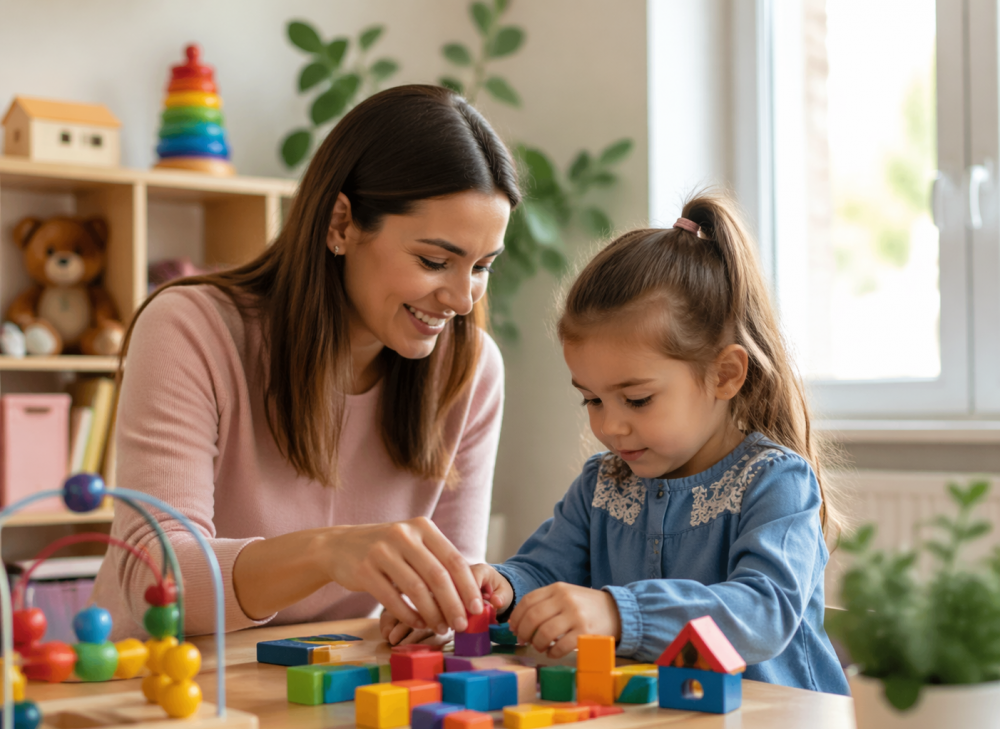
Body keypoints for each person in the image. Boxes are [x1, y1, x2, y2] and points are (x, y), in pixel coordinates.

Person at [92, 85, 520, 640]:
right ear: (341, 224)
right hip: (161, 690)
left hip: (321, 693)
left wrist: (445, 607)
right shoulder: (190, 329)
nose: (463, 299)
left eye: (483, 265)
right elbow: (157, 581)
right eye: (435, 261)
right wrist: (327, 552)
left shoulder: (470, 368)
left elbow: (446, 588)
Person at [472, 193, 850, 694]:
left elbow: (764, 611)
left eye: (638, 399)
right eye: (592, 400)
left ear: (725, 374)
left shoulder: (777, 482)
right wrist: (504, 587)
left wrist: (616, 612)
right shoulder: (603, 484)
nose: (610, 428)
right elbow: (545, 568)